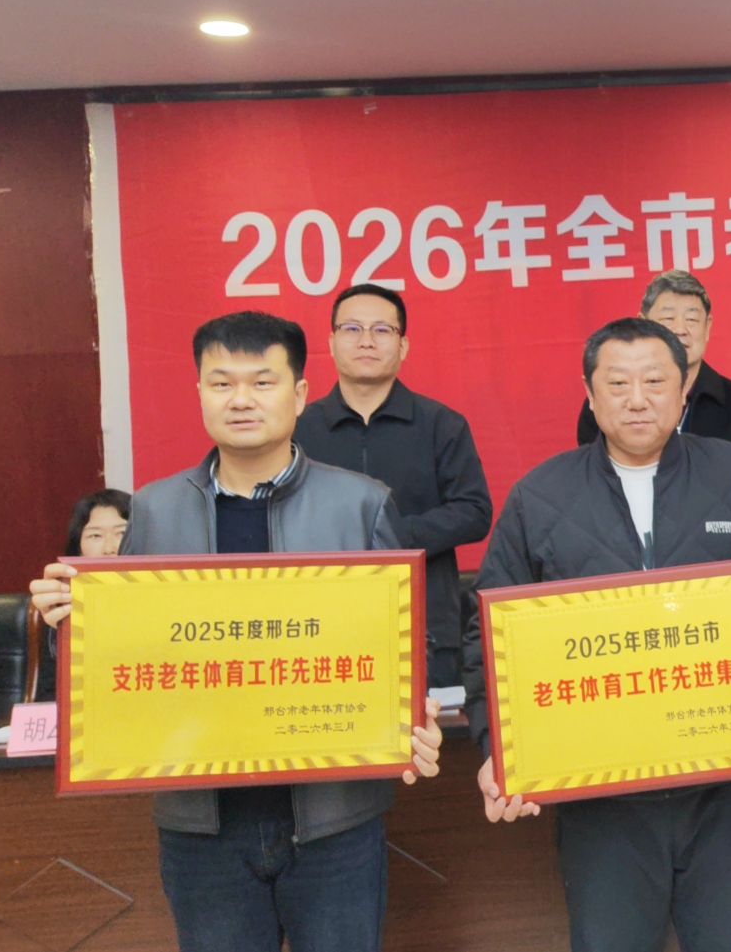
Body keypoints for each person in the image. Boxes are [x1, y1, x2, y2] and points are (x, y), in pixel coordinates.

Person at [28, 311, 444, 952]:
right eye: (222, 383)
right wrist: (67, 624)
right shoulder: (155, 511)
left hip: (333, 819)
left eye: (262, 382)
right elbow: (119, 654)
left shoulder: (361, 503)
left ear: (299, 394)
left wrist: (414, 715)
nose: (241, 400)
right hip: (203, 824)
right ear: (199, 393)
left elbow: (402, 643)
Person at [467, 317, 731, 952]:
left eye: (655, 382)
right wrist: (498, 746)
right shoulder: (539, 496)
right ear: (590, 394)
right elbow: (488, 633)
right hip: (599, 784)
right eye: (618, 384)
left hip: (723, 772)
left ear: (684, 390)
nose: (637, 399)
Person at [297, 283, 493, 687]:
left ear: (403, 346)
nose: (366, 341)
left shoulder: (441, 424)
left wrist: (390, 536)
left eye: (382, 330)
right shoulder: (298, 430)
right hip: (321, 624)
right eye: (352, 329)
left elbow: (474, 511)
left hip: (425, 624)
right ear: (331, 343)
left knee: (429, 727)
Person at [575, 270, 731, 489]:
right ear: (643, 324)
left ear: (707, 327)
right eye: (668, 319)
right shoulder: (608, 403)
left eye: (692, 319)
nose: (680, 330)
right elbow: (591, 481)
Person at [35, 489, 133, 701]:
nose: (110, 548)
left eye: (121, 533)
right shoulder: (61, 604)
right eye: (95, 536)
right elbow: (50, 696)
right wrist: (62, 630)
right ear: (78, 549)